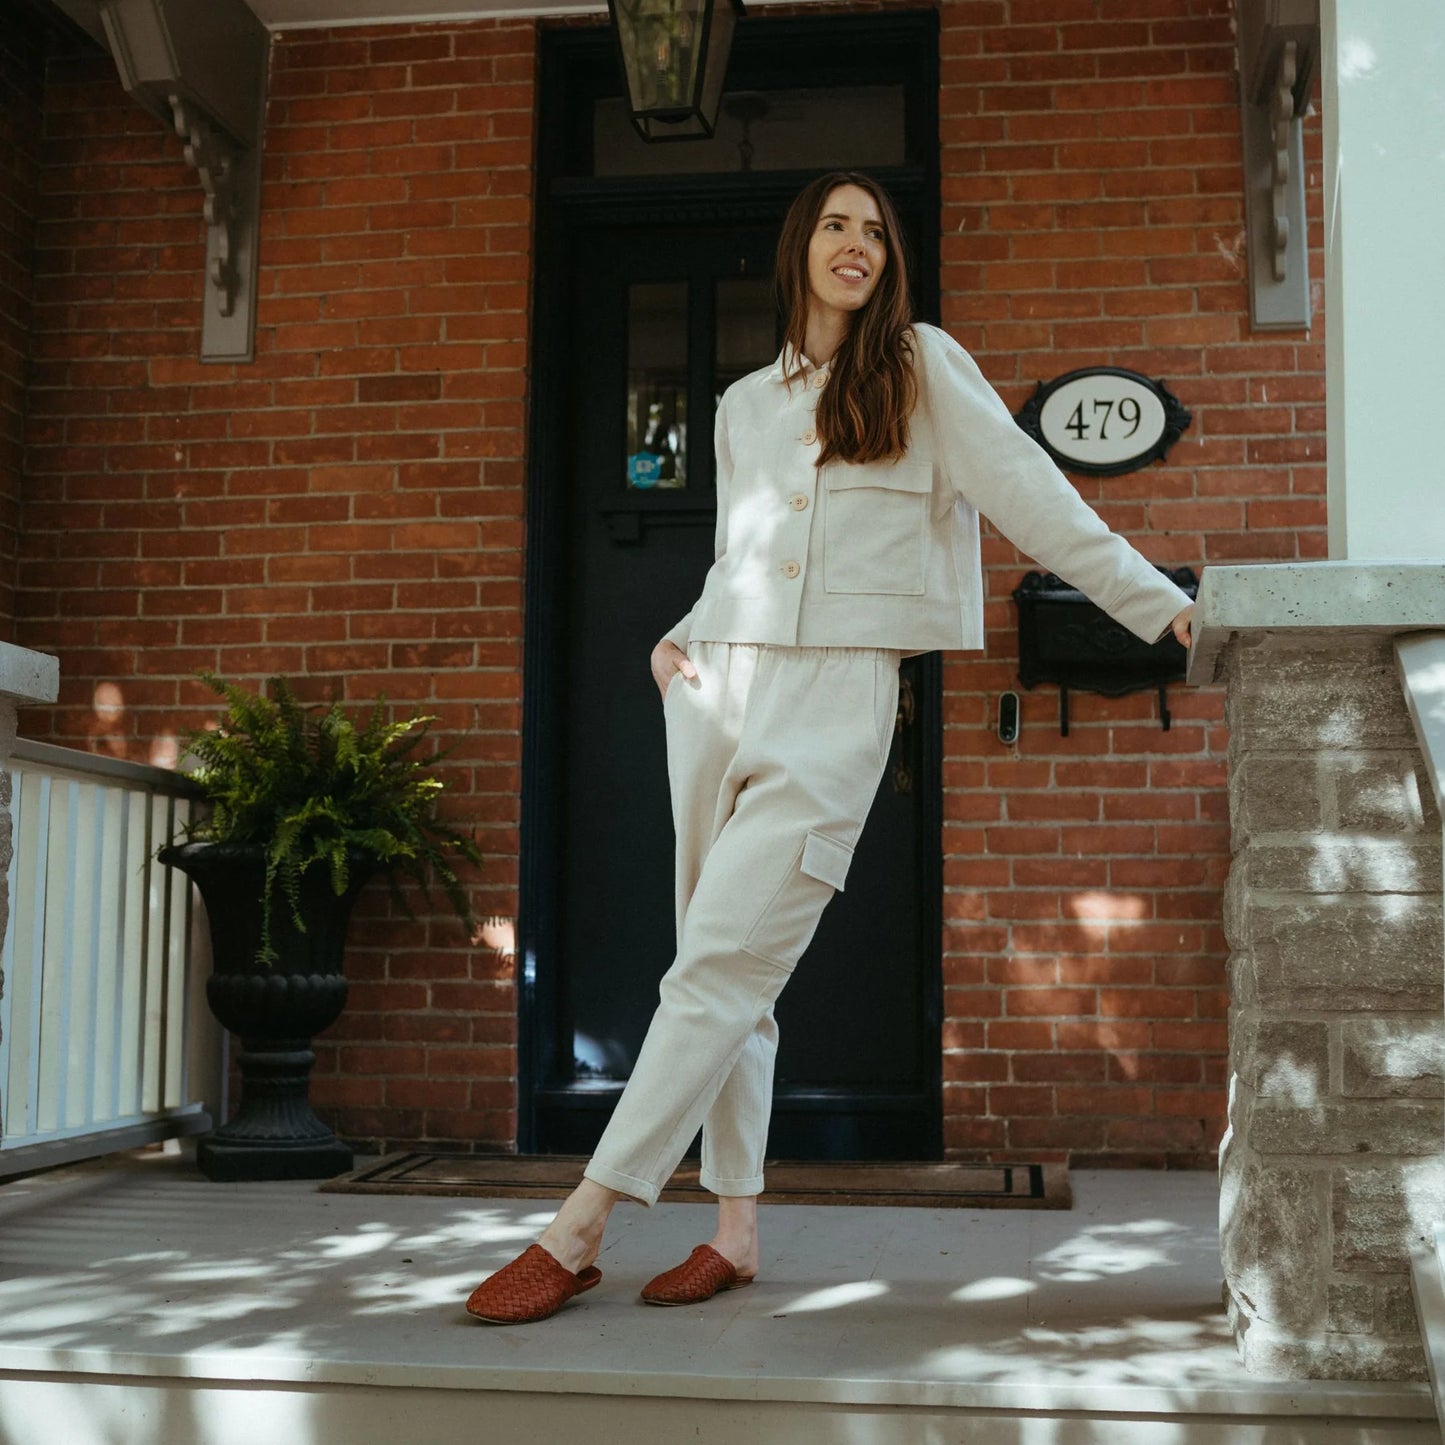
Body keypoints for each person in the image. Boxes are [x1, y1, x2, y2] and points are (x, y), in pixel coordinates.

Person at [465, 170, 1195, 1324]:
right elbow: (736, 553)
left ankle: (580, 1224)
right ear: (797, 248)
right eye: (834, 226)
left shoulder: (921, 367)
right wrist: (671, 644)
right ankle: (737, 1229)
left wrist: (1161, 604)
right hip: (714, 687)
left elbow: (1034, 496)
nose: (855, 244)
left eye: (873, 230)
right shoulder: (743, 402)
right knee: (732, 977)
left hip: (838, 700)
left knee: (712, 969)